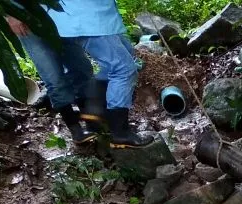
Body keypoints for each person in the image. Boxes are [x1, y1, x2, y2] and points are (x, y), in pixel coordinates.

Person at [18, 0, 150, 147]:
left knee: (82, 69)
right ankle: (101, 130)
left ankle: (92, 116)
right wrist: (11, 13)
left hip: (69, 15)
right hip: (68, 16)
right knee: (55, 79)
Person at [5, 16, 102, 145]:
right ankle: (75, 129)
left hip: (58, 14)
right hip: (24, 17)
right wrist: (11, 16)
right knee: (53, 78)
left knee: (81, 68)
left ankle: (91, 120)